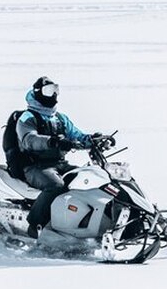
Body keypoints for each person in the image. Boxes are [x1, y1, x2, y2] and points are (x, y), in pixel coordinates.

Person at [16, 76, 111, 237]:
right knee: (56, 185)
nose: (53, 95)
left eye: (55, 90)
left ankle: (84, 225)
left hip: (60, 163)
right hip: (36, 167)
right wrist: (52, 142)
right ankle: (34, 225)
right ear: (38, 93)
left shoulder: (59, 118)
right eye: (49, 91)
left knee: (89, 179)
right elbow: (29, 140)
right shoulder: (27, 117)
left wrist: (94, 140)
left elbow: (77, 136)